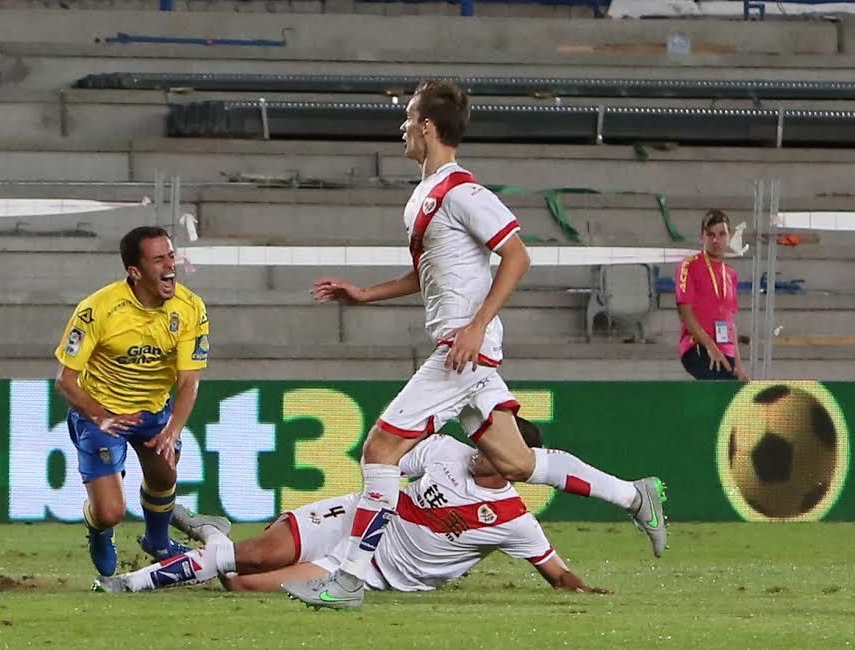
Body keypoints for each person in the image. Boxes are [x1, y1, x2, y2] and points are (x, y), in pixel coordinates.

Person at [281, 80, 668, 609]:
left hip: (461, 351)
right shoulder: (426, 196)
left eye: (408, 118)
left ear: (428, 127)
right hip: (465, 350)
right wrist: (366, 294)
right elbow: (431, 273)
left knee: (380, 449)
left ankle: (350, 576)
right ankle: (632, 494)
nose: (401, 128)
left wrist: (478, 325)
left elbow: (518, 257)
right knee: (513, 462)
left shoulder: (465, 192)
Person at [93, 420, 608, 597]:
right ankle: (137, 583)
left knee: (241, 581)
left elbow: (558, 575)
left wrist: (590, 591)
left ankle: (209, 532)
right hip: (354, 519)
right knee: (251, 554)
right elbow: (388, 459)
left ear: (512, 463)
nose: (479, 448)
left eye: (492, 447)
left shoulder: (514, 520)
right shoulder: (446, 451)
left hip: (363, 567)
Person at [54, 225, 210, 576]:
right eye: (159, 259)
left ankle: (157, 542)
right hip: (101, 415)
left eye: (171, 255)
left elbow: (189, 381)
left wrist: (173, 429)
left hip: (154, 412)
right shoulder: (97, 310)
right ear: (135, 271)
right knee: (111, 511)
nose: (170, 265)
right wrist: (100, 417)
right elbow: (65, 381)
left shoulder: (190, 308)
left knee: (164, 476)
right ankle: (98, 528)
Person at [676, 209, 748, 381]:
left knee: (731, 396)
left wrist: (738, 366)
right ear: (702, 237)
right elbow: (684, 312)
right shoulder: (690, 265)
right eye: (710, 235)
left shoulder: (730, 274)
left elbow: (730, 322)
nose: (716, 240)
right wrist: (710, 346)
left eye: (721, 234)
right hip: (699, 348)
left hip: (726, 352)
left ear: (729, 237)